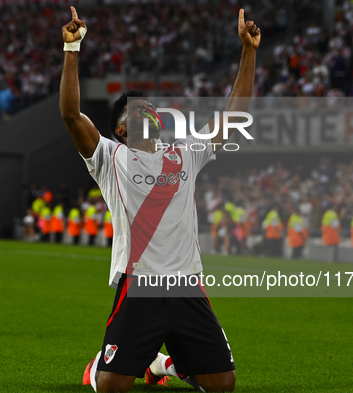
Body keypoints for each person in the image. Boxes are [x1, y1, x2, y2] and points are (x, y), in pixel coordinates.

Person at [60, 6, 259, 392]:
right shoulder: (109, 156)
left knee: (223, 386)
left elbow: (234, 117)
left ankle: (162, 364)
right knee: (112, 386)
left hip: (186, 286)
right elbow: (71, 115)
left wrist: (248, 51)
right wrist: (72, 50)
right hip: (139, 287)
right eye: (138, 112)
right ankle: (105, 362)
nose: (148, 113)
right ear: (120, 129)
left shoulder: (186, 151)